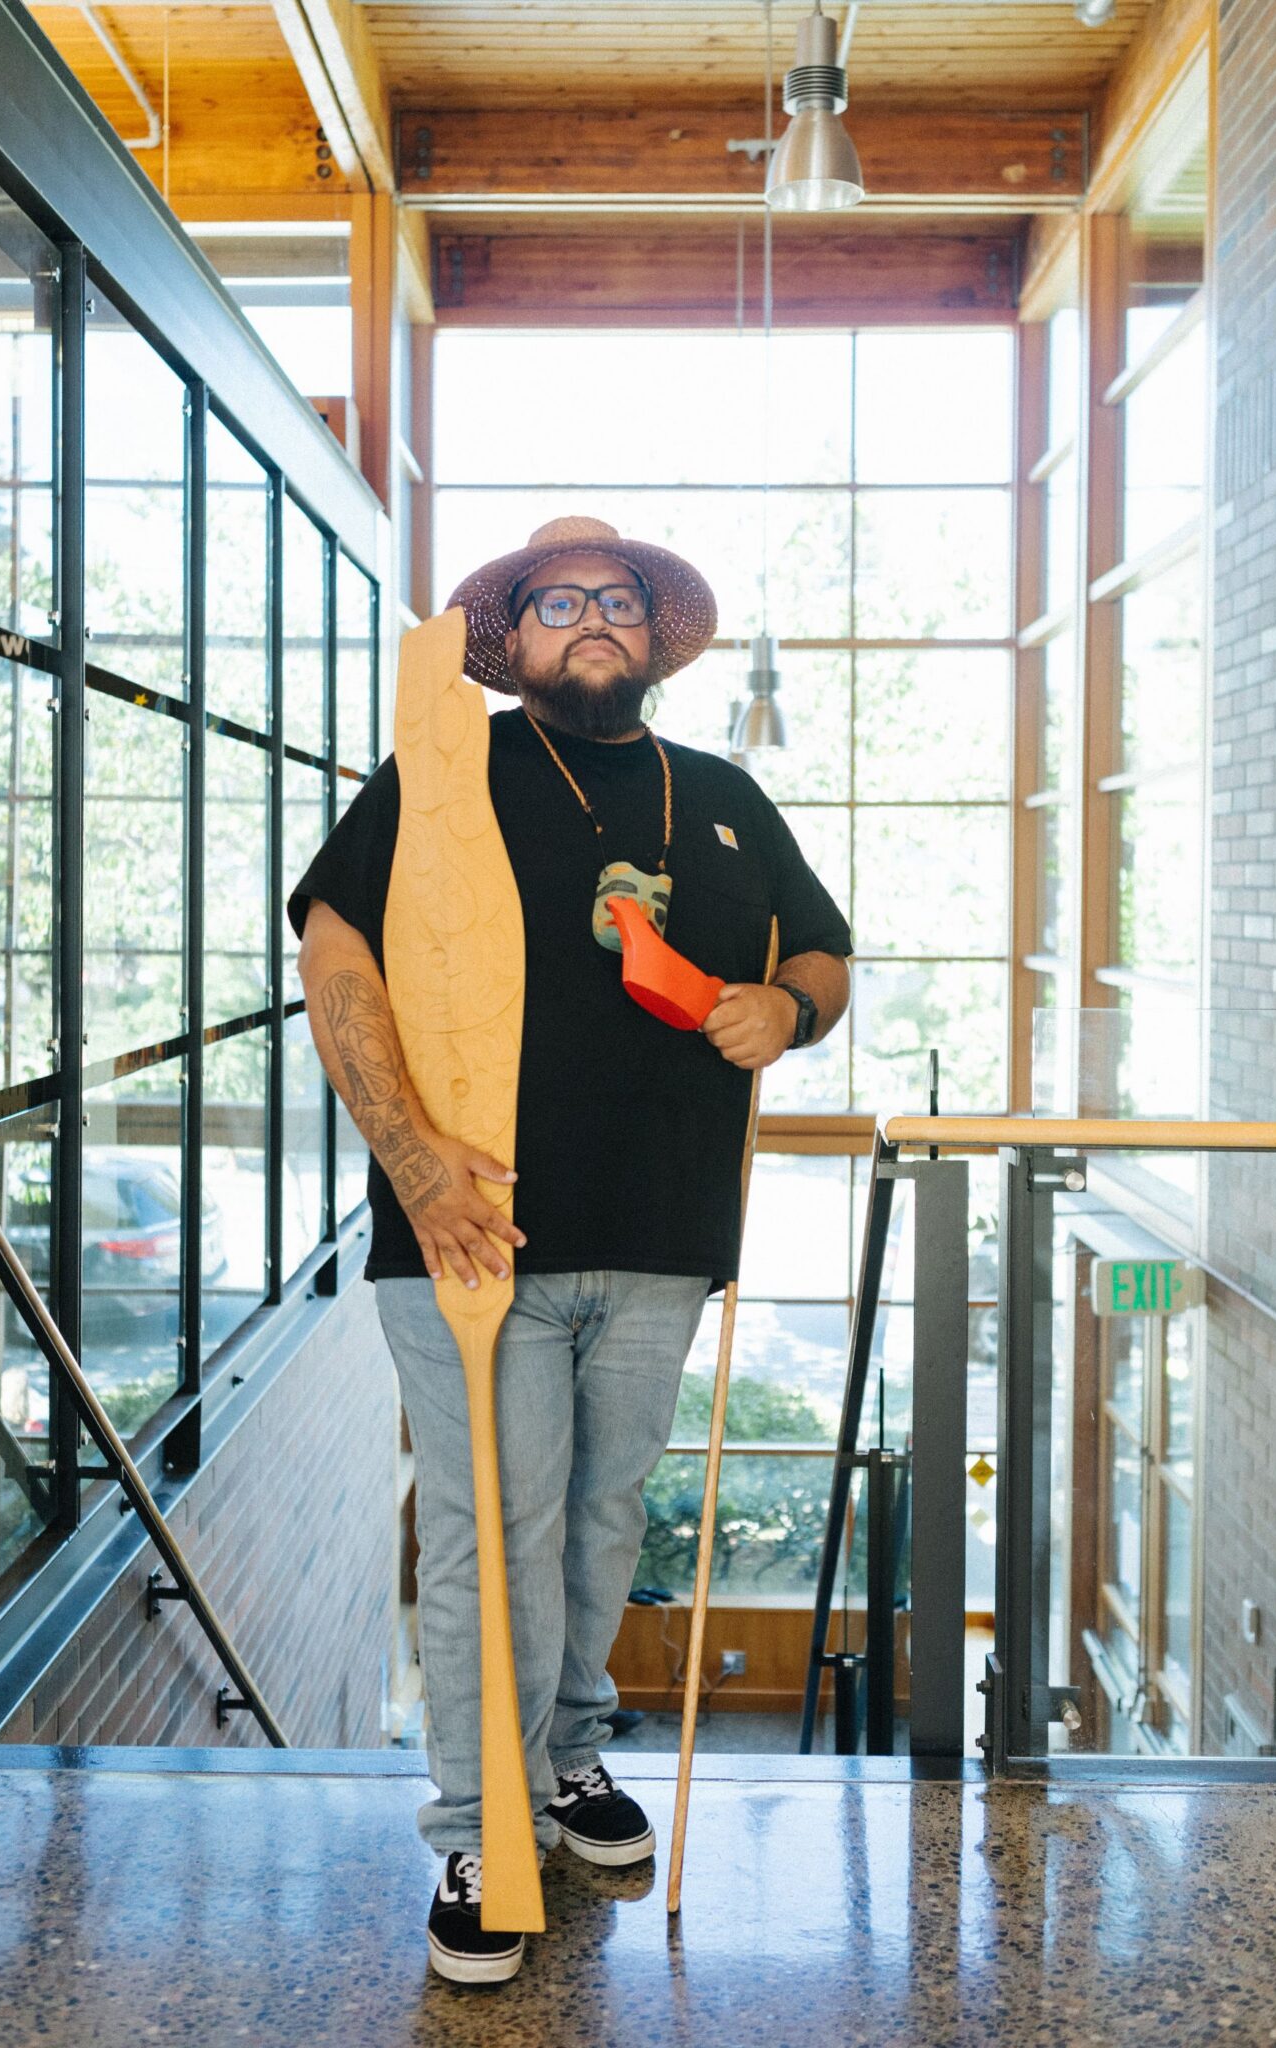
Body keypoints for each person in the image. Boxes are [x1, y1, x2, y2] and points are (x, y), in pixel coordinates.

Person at [289, 515, 852, 1985]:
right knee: (492, 1531)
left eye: (617, 600)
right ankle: (485, 1827)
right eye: (557, 602)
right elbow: (334, 955)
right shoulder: (441, 780)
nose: (589, 618)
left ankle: (567, 1762)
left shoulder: (721, 796)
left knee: (603, 1520)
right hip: (471, 1230)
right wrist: (413, 1161)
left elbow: (823, 955)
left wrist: (784, 1011)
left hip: (663, 1232)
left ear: (653, 637)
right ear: (510, 640)